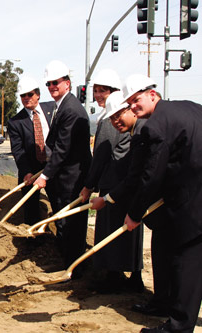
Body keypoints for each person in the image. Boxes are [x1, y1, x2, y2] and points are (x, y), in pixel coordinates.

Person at [121, 74, 202, 333]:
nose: (133, 106)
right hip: (191, 192)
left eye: (137, 100)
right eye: (130, 103)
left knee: (186, 261)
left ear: (152, 94)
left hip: (192, 202)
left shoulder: (155, 126)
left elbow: (151, 176)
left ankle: (178, 327)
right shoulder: (190, 106)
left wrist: (134, 213)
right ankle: (165, 304)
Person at [34, 60, 92, 276]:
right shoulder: (63, 106)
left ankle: (74, 269)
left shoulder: (71, 109)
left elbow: (63, 148)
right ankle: (67, 263)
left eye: (55, 83)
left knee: (71, 225)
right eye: (48, 84)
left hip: (72, 179)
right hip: (64, 176)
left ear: (67, 83)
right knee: (64, 223)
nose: (51, 87)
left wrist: (46, 175)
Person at [84, 91, 144, 293]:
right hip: (126, 185)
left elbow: (101, 155)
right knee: (127, 229)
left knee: (115, 230)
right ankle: (130, 277)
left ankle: (114, 276)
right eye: (96, 91)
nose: (99, 95)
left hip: (120, 185)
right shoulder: (132, 126)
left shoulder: (141, 129)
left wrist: (92, 186)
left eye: (103, 90)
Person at [8, 76, 54, 224]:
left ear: (38, 94)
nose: (26, 98)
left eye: (30, 94)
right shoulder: (15, 122)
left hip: (53, 166)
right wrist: (26, 171)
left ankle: (59, 237)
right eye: (23, 95)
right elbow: (18, 150)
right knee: (31, 208)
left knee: (58, 202)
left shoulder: (53, 109)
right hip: (31, 169)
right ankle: (32, 241)